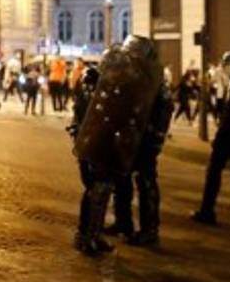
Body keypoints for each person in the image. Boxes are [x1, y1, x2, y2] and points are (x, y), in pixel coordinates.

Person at [73, 36, 171, 255]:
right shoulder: (108, 77)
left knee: (143, 183)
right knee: (105, 185)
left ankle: (147, 229)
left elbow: (162, 109)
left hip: (139, 139)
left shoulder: (152, 81)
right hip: (110, 140)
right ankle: (98, 231)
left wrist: (155, 138)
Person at [192, 51, 230, 227]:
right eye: (227, 64)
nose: (228, 67)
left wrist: (221, 136)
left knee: (216, 173)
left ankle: (208, 211)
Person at [68, 64, 102, 251]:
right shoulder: (90, 86)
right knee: (94, 189)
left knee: (102, 189)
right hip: (89, 143)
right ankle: (84, 235)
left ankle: (95, 233)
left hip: (100, 143)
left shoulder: (103, 86)